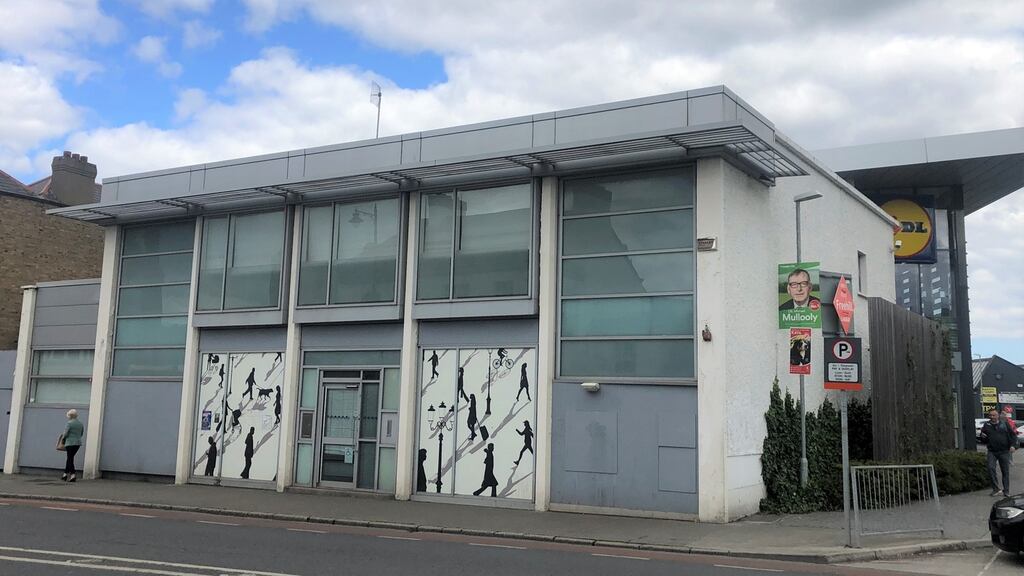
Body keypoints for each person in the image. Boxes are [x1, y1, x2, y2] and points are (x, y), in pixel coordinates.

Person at [980, 408, 1017, 496]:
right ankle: (996, 489)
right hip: (992, 451)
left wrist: (1013, 445)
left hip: (1004, 451)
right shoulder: (986, 425)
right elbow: (983, 439)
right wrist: (983, 437)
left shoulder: (1004, 424)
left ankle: (1006, 491)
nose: (992, 417)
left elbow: (1013, 435)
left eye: (994, 415)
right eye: (991, 415)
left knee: (1005, 471)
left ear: (998, 415)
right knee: (990, 468)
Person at [60, 409, 84, 482]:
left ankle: (73, 475)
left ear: (70, 416)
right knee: (70, 458)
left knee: (70, 458)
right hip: (77, 443)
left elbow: (65, 434)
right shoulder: (80, 424)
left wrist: (63, 439)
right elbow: (81, 433)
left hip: (70, 443)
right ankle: (65, 474)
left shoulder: (69, 423)